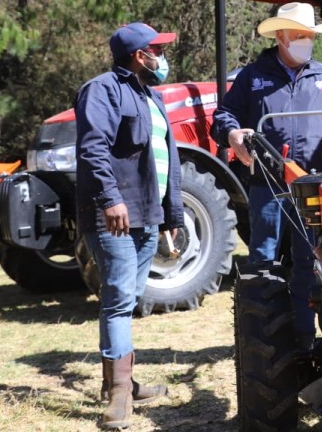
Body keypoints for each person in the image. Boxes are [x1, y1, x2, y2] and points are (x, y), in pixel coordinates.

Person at [210, 2, 322, 350]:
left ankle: (306, 337)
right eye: (298, 36)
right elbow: (224, 115)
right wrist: (233, 134)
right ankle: (260, 338)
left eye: (309, 36)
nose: (304, 42)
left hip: (315, 185)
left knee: (312, 261)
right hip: (269, 184)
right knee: (263, 260)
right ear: (280, 37)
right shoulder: (254, 76)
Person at [76, 22, 183, 429]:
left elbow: (162, 162)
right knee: (119, 299)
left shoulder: (149, 96)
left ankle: (122, 382)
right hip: (114, 214)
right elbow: (93, 148)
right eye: (157, 49)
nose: (162, 57)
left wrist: (167, 218)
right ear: (140, 56)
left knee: (131, 297)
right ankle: (120, 395)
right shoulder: (101, 89)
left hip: (144, 213)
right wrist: (111, 200)